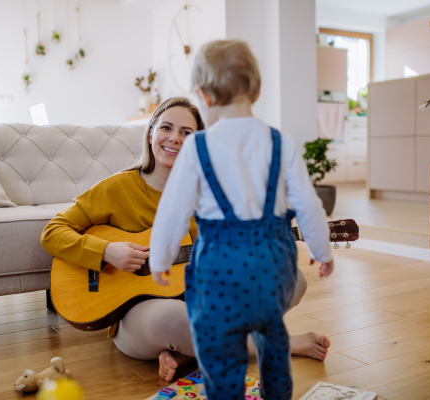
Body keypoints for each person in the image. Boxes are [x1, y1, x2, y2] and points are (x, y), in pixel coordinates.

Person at [40, 97, 330, 386]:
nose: (175, 139)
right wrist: (106, 251)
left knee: (294, 279)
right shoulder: (117, 187)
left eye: (186, 133)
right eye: (166, 128)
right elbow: (53, 231)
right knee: (176, 319)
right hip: (139, 316)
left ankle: (185, 356)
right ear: (151, 132)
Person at [149, 40, 334, 399]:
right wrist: (322, 249)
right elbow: (309, 205)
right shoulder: (282, 143)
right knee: (272, 334)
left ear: (202, 94)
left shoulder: (196, 148)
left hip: (219, 270)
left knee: (220, 350)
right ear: (258, 89)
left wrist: (159, 258)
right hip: (273, 268)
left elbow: (172, 212)